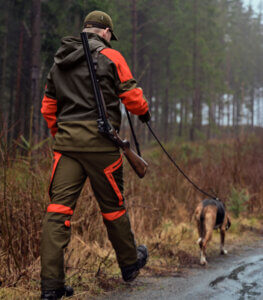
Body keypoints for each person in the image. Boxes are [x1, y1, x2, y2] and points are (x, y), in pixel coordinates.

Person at [40, 10, 151, 300]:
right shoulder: (112, 57)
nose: (109, 39)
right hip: (103, 146)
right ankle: (129, 264)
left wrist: (62, 136)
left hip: (66, 147)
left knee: (57, 212)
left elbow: (48, 108)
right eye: (109, 36)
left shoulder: (59, 62)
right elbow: (133, 98)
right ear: (104, 32)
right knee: (113, 208)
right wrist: (145, 113)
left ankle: (51, 286)